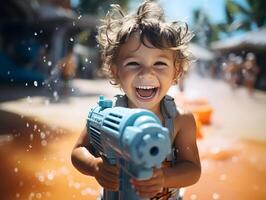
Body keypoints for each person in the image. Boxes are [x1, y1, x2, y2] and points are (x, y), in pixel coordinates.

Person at [71, 1, 201, 199]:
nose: (147, 72)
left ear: (176, 71)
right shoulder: (106, 114)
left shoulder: (180, 120)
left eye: (159, 63)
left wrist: (164, 177)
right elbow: (78, 151)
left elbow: (193, 170)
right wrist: (94, 166)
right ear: (115, 70)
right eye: (133, 63)